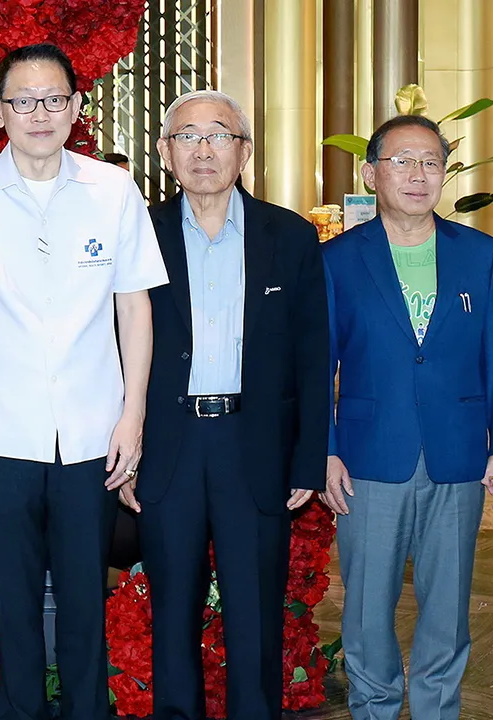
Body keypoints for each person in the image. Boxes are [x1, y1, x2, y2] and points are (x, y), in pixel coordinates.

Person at [0, 43, 168, 720]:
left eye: (54, 99)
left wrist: (133, 418)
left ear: (76, 107)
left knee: (87, 596)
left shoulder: (113, 191)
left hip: (93, 434)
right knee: (14, 596)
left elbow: (135, 310)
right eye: (23, 100)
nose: (40, 113)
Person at [130, 90, 328, 719]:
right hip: (169, 445)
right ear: (165, 153)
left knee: (256, 612)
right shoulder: (139, 233)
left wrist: (308, 459)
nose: (203, 149)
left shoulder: (290, 236)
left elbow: (313, 355)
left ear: (244, 151)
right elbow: (109, 347)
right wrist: (123, 448)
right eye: (186, 136)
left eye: (218, 134)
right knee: (172, 612)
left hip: (255, 443)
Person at [321, 114, 493, 720]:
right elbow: (315, 366)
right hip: (367, 457)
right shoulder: (337, 259)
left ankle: (439, 708)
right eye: (402, 161)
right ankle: (374, 707)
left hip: (456, 455)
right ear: (371, 174)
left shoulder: (480, 255)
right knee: (365, 609)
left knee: (448, 608)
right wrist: (325, 449)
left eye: (431, 162)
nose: (418, 174)